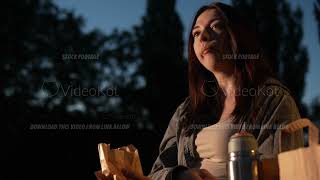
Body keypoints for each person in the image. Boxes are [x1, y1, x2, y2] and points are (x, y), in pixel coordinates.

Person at [123, 2, 304, 180]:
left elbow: (283, 172)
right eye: (196, 32)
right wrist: (179, 175)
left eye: (216, 26)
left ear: (238, 36)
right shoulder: (186, 110)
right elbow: (157, 171)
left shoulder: (273, 100)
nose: (203, 37)